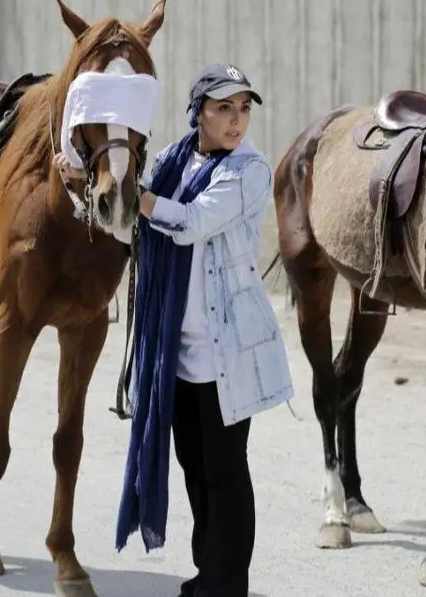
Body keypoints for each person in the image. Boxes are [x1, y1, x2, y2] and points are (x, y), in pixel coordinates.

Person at [70, 61, 294, 597]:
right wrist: (92, 186)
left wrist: (133, 193)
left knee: (225, 470)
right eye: (224, 108)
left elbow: (189, 223)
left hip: (226, 351)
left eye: (243, 108)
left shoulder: (249, 170)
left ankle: (227, 585)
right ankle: (208, 572)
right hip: (178, 350)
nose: (237, 120)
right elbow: (131, 227)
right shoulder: (175, 159)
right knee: (194, 466)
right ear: (200, 113)